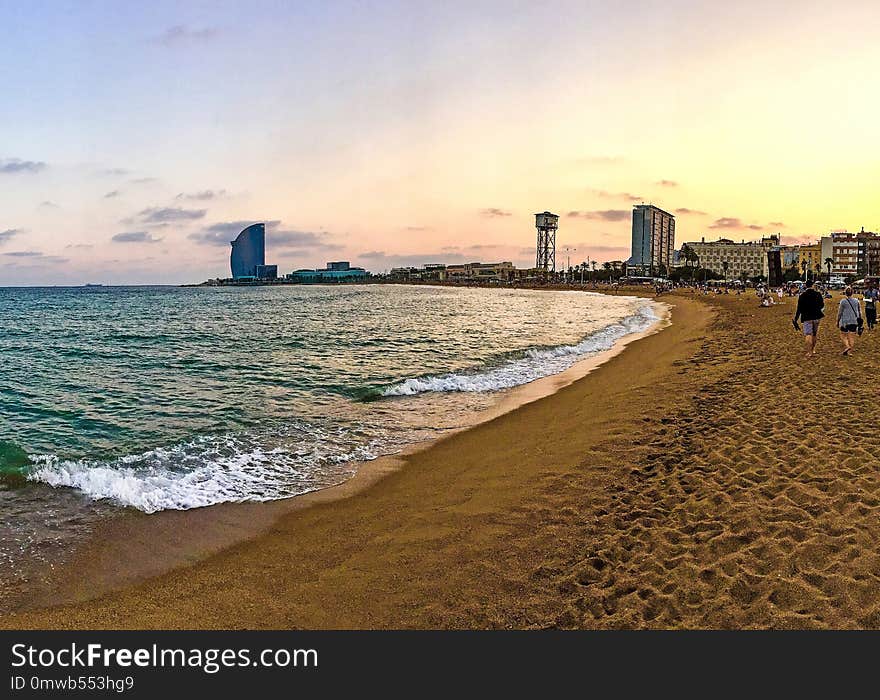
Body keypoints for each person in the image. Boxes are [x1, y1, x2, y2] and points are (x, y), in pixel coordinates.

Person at [792, 279, 825, 358]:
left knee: (808, 334)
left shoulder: (802, 296)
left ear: (805, 286)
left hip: (807, 317)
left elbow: (799, 309)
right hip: (817, 316)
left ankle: (809, 352)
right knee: (814, 334)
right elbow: (822, 305)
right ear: (812, 285)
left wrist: (796, 319)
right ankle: (813, 349)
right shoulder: (818, 294)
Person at [837, 286, 863, 356]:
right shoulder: (857, 301)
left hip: (845, 321)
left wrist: (837, 321)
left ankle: (847, 346)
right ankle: (849, 352)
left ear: (845, 293)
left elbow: (840, 312)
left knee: (843, 335)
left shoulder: (843, 301)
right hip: (854, 321)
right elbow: (860, 311)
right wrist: (860, 319)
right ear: (852, 293)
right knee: (851, 336)